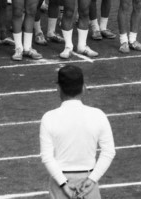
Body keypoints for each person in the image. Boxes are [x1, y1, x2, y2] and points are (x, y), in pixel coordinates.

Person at [40, 65, 116, 199]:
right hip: (88, 183)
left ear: (58, 88)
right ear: (83, 88)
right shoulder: (98, 115)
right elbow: (109, 152)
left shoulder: (49, 118)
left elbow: (47, 157)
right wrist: (92, 179)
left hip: (59, 183)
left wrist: (63, 183)